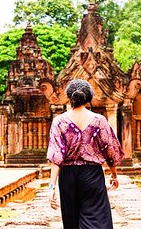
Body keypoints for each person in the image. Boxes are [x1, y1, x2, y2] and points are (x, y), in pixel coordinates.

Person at [47, 79, 124, 229]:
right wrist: (114, 175)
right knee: (98, 221)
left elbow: (56, 157)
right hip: (92, 175)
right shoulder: (99, 120)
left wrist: (52, 187)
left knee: (72, 223)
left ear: (69, 97)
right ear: (89, 98)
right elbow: (110, 151)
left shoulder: (59, 121)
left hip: (67, 176)